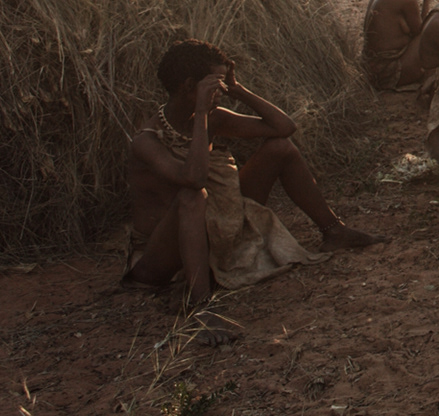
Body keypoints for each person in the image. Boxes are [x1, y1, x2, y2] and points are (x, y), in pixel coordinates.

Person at [125, 40, 384, 341]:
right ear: (187, 87)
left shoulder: (210, 117)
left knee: (280, 149)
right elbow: (194, 179)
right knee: (192, 196)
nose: (221, 92)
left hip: (214, 230)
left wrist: (239, 90)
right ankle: (201, 308)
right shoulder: (147, 140)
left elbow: (283, 128)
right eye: (216, 85)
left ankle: (333, 230)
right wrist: (202, 114)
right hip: (161, 262)